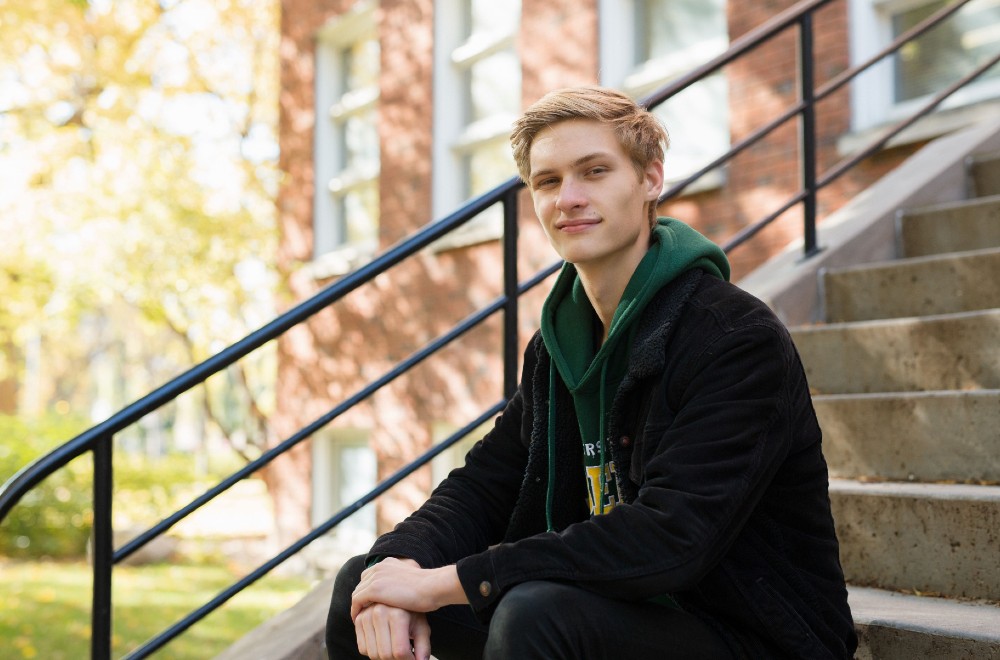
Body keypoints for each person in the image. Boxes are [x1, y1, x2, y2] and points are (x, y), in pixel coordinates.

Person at [325, 85, 857, 659]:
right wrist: (395, 567)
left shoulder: (732, 338)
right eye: (548, 182)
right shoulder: (558, 348)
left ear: (651, 179)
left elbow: (672, 536)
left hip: (750, 633)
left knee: (534, 614)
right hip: (615, 612)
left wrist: (446, 582)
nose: (568, 198)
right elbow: (483, 484)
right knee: (360, 589)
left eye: (594, 172)